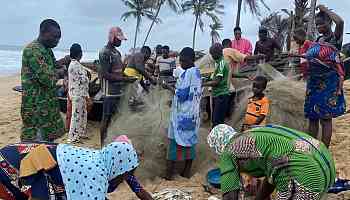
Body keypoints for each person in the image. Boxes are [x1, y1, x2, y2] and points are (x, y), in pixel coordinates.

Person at [207, 124, 336, 200]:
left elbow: (230, 196)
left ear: (218, 145)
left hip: (305, 175)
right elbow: (272, 176)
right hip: (326, 164)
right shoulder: (253, 134)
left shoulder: (229, 151)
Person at [0, 139, 154, 200]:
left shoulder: (108, 160)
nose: (129, 177)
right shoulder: (96, 175)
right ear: (121, 169)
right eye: (127, 174)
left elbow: (138, 188)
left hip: (20, 153)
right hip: (17, 166)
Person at [292, 29, 346, 148]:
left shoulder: (334, 38)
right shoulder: (314, 42)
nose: (318, 26)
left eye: (321, 23)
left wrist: (323, 9)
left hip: (328, 83)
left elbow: (340, 21)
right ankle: (312, 149)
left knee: (326, 118)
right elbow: (307, 62)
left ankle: (324, 151)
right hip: (313, 83)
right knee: (313, 116)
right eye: (317, 24)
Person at [21, 19, 65, 142]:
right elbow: (48, 78)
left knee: (46, 143)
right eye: (55, 37)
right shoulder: (33, 50)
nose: (57, 41)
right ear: (43, 33)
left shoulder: (46, 49)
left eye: (59, 38)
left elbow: (54, 65)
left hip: (46, 105)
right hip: (36, 108)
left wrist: (65, 61)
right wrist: (61, 72)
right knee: (35, 145)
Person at [162, 47, 202, 180]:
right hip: (192, 117)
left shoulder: (189, 73)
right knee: (190, 144)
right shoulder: (197, 72)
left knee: (173, 144)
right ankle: (186, 173)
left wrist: (167, 87)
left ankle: (168, 176)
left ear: (190, 60)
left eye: (183, 61)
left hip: (182, 118)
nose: (181, 64)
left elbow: (182, 95)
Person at [99, 27, 135, 145]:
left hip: (119, 91)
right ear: (112, 37)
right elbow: (105, 74)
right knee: (106, 119)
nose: (120, 42)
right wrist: (125, 79)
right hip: (109, 93)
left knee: (116, 118)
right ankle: (102, 145)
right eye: (118, 39)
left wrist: (128, 78)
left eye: (121, 40)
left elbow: (120, 71)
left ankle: (112, 143)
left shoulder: (117, 53)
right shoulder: (105, 52)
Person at [67, 44, 92, 143]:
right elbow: (83, 81)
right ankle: (72, 138)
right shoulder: (75, 65)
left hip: (79, 93)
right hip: (78, 94)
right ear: (79, 54)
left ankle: (80, 134)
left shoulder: (76, 64)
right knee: (76, 116)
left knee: (82, 114)